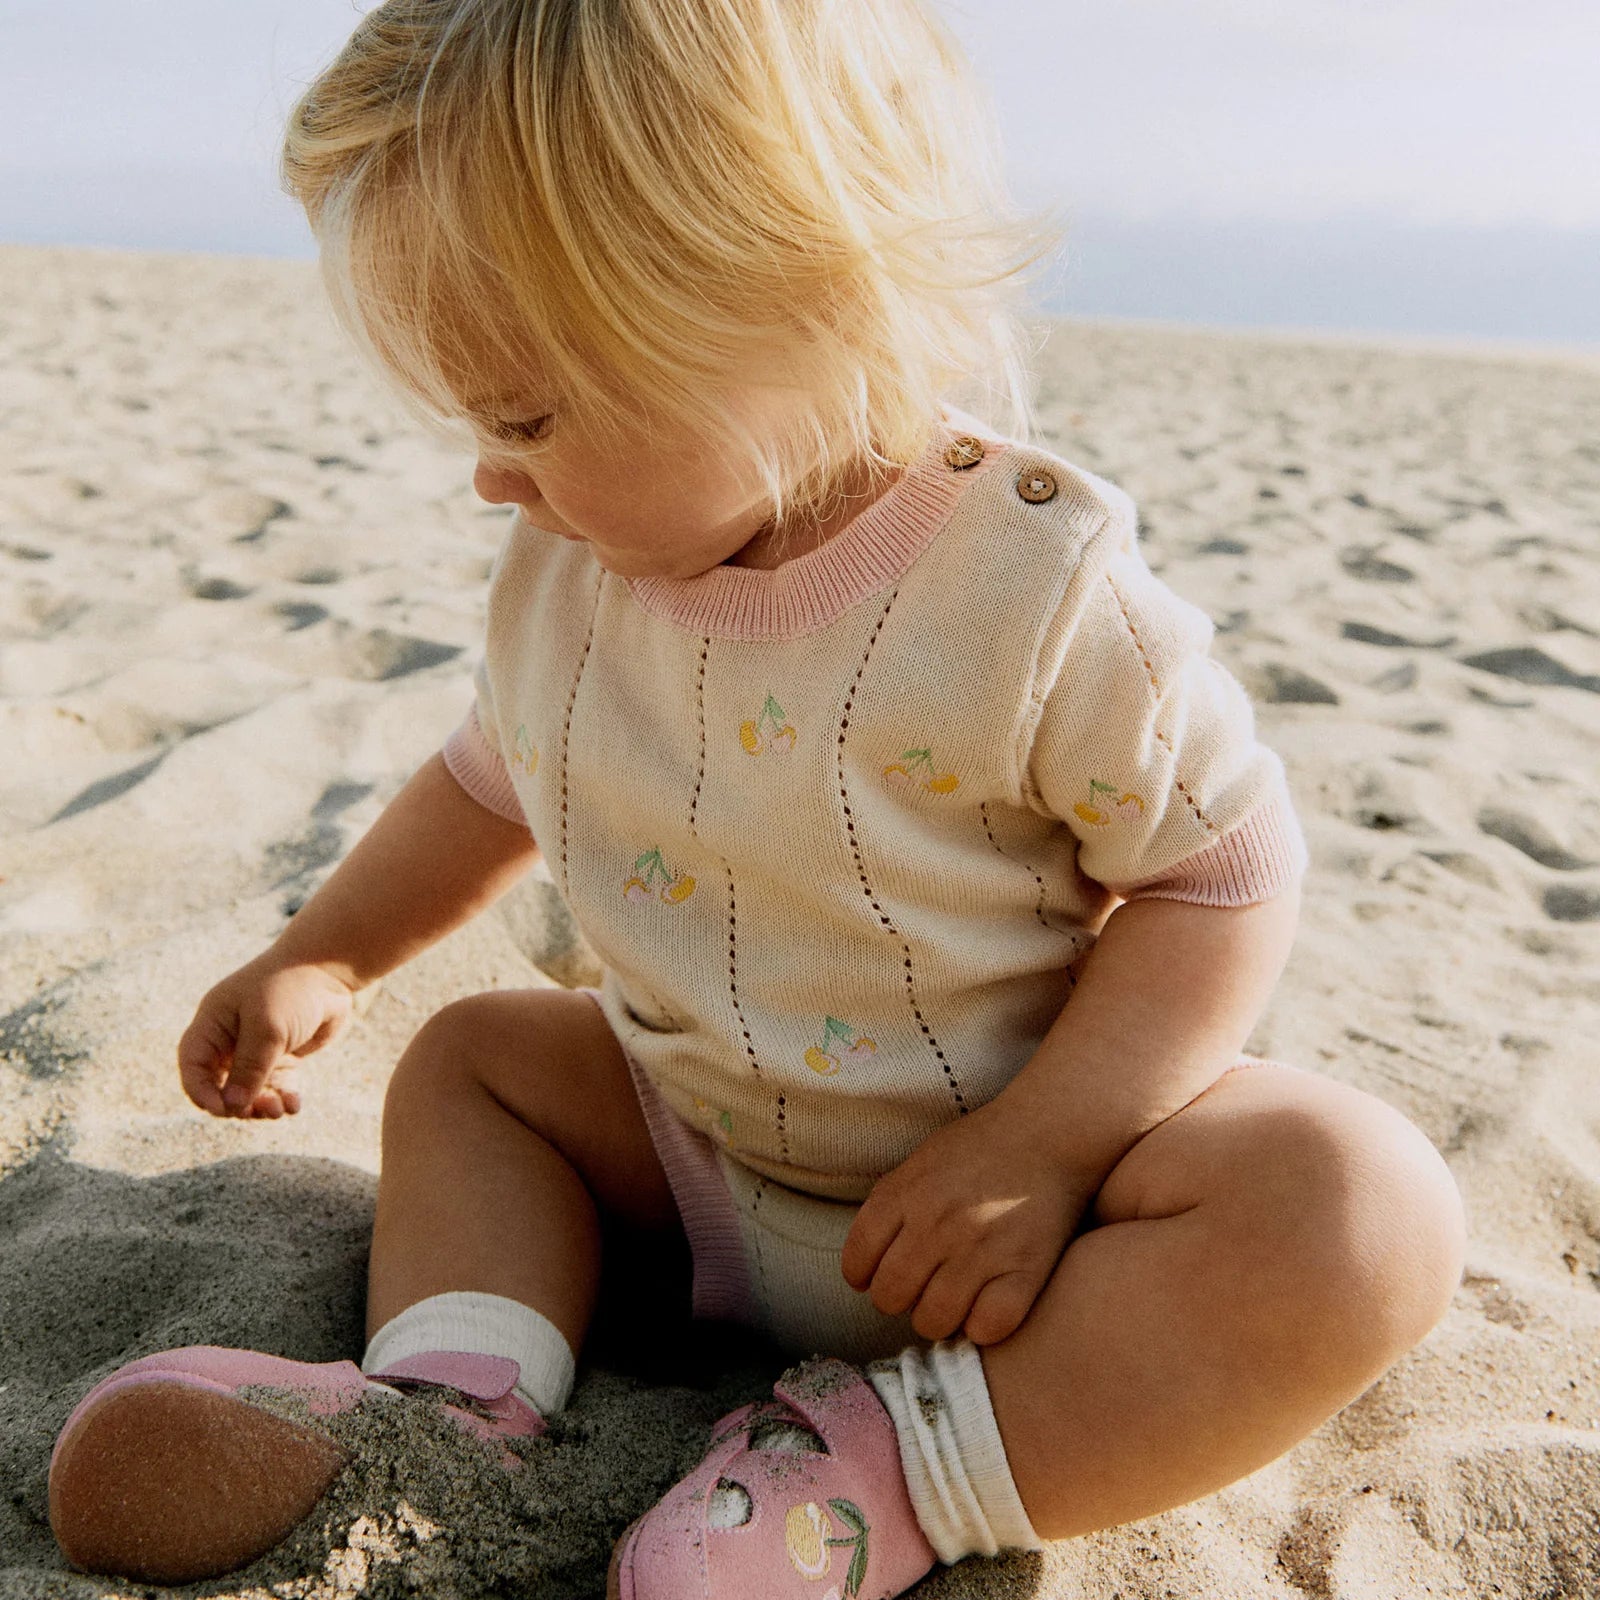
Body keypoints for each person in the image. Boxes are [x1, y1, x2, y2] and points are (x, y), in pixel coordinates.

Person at [46, 0, 1468, 1592]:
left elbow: (1223, 875)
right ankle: (452, 1399)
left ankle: (895, 1477)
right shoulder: (571, 572)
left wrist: (1049, 1148)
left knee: (1357, 1211)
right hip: (694, 1149)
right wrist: (329, 952)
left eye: (524, 416)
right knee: (477, 1064)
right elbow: (487, 779)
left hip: (1011, 1234)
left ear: (788, 300)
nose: (490, 477)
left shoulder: (1031, 588)